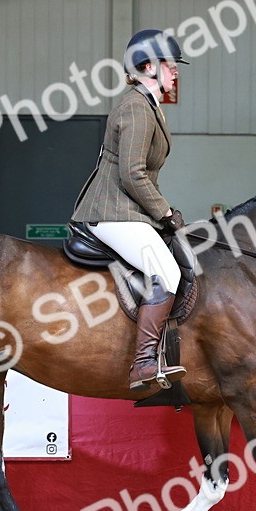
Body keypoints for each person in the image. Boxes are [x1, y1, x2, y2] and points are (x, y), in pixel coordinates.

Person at [72, 29, 190, 391]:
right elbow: (133, 173)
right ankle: (142, 365)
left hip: (126, 208)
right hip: (111, 210)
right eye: (170, 66)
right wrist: (165, 213)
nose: (175, 73)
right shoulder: (136, 107)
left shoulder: (149, 106)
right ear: (148, 66)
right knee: (167, 273)